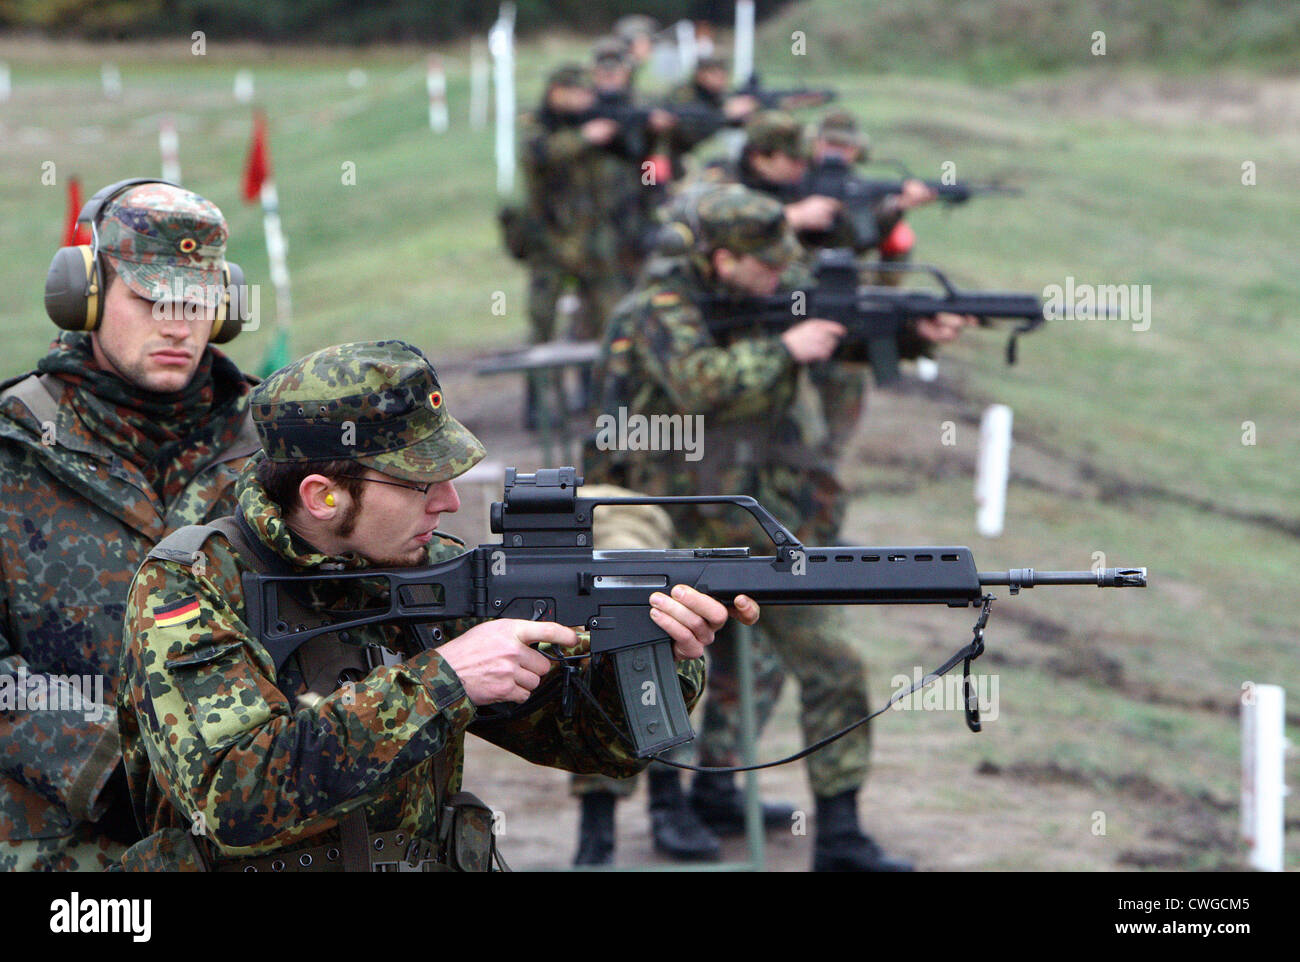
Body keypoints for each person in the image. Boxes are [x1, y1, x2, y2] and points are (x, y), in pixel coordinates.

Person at [114, 340, 759, 871]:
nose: (448, 502)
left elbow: (595, 746)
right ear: (322, 496)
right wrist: (444, 680)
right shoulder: (192, 584)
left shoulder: (430, 569)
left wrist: (652, 651)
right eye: (421, 483)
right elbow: (235, 801)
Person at [595, 184, 971, 870]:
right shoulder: (655, 310)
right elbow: (700, 382)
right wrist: (788, 350)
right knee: (663, 665)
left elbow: (840, 331)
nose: (780, 276)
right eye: (766, 265)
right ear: (722, 258)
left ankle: (841, 832)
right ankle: (670, 804)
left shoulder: (761, 296)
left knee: (833, 663)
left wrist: (914, 329)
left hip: (761, 530)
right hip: (671, 527)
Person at [0, 179, 259, 871]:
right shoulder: (13, 448)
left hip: (256, 840)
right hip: (69, 854)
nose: (177, 325)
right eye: (150, 299)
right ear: (84, 297)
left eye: (197, 302)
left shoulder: (279, 452)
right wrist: (108, 766)